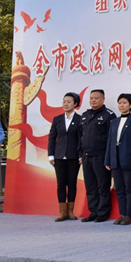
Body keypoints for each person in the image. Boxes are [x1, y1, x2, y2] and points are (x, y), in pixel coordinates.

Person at [104, 93, 131, 226]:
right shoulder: (114, 122)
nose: (121, 105)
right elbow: (110, 142)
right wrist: (107, 159)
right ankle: (122, 214)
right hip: (115, 160)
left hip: (129, 161)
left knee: (129, 189)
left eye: (124, 103)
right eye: (120, 103)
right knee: (119, 189)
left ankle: (129, 215)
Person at [79, 89, 116, 223]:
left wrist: (109, 157)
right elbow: (81, 137)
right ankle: (93, 211)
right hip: (86, 156)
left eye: (96, 98)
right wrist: (80, 154)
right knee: (90, 186)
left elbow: (112, 139)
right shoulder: (85, 115)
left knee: (102, 186)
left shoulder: (109, 115)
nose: (93, 100)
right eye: (91, 98)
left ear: (103, 99)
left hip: (101, 156)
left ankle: (103, 213)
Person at [47, 92, 83, 222]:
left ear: (75, 104)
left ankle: (71, 211)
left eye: (69, 101)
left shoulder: (80, 119)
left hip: (74, 156)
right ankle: (62, 212)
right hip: (59, 156)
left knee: (72, 183)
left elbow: (81, 139)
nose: (65, 104)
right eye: (64, 101)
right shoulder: (57, 119)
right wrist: (51, 155)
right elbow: (52, 137)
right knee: (61, 184)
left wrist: (81, 154)